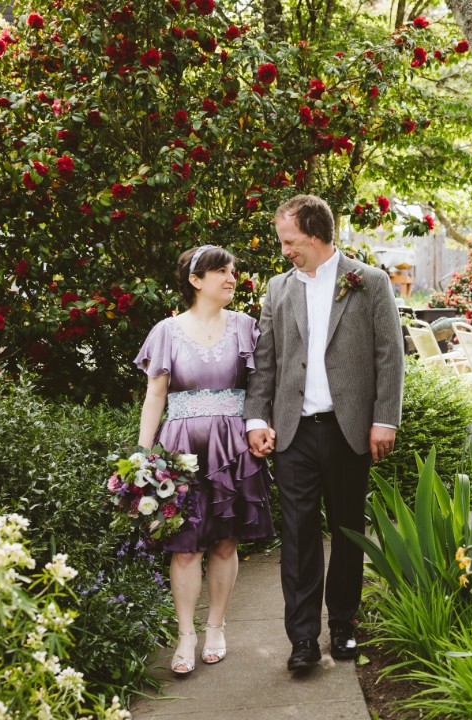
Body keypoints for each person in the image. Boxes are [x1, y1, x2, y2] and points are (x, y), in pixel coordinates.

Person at [244, 194, 405, 672]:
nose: (284, 250)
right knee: (297, 538)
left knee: (348, 531)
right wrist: (257, 418)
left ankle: (344, 627)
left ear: (314, 234)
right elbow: (266, 360)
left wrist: (385, 418)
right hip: (293, 432)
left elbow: (389, 356)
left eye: (289, 241)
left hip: (348, 430)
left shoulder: (369, 282)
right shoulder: (278, 288)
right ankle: (303, 640)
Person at [135, 245, 275, 675]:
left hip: (233, 446)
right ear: (196, 280)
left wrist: (261, 424)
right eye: (221, 271)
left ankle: (216, 625)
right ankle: (185, 634)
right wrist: (143, 457)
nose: (231, 278)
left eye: (234, 271)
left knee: (226, 541)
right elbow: (155, 395)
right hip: (181, 448)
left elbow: (263, 386)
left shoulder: (247, 327)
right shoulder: (166, 331)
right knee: (185, 548)